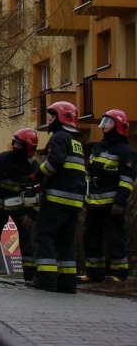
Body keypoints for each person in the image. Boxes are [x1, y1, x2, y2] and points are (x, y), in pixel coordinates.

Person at [25, 101, 86, 293]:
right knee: (66, 241)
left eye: (53, 115)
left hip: (58, 200)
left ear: (62, 118)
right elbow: (68, 172)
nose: (50, 119)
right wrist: (42, 185)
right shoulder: (76, 142)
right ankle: (67, 283)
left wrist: (37, 175)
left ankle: (46, 278)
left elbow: (55, 162)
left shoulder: (59, 138)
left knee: (42, 234)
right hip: (74, 201)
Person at [80, 109, 136, 283]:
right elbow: (89, 174)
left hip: (112, 204)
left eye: (109, 122)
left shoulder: (125, 151)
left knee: (114, 237)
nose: (104, 126)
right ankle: (94, 272)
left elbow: (127, 180)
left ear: (119, 126)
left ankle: (119, 273)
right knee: (90, 235)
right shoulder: (99, 147)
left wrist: (119, 203)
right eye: (104, 122)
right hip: (94, 202)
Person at [0, 128, 39, 280]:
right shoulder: (2, 159)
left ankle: (30, 277)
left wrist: (32, 216)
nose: (15, 147)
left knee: (28, 242)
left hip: (23, 210)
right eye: (15, 144)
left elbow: (40, 195)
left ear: (28, 148)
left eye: (19, 145)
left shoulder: (34, 168)